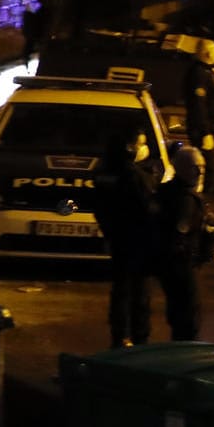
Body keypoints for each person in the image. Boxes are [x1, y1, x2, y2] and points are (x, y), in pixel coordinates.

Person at [93, 131, 160, 348]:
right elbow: (149, 208)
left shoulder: (103, 172)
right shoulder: (134, 175)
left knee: (121, 290)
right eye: (140, 143)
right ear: (129, 148)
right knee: (139, 294)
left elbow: (99, 207)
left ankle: (119, 336)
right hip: (137, 241)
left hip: (118, 238)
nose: (144, 147)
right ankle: (138, 340)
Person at [153, 145, 214, 341]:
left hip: (170, 264)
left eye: (202, 168)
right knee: (188, 313)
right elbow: (179, 233)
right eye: (196, 167)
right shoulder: (186, 200)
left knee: (179, 311)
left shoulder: (166, 192)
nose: (200, 173)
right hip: (181, 264)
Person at [182, 41, 214, 195]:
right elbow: (198, 106)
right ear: (207, 53)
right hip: (202, 129)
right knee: (207, 168)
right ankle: (201, 203)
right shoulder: (198, 74)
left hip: (211, 126)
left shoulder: (209, 72)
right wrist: (205, 133)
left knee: (212, 166)